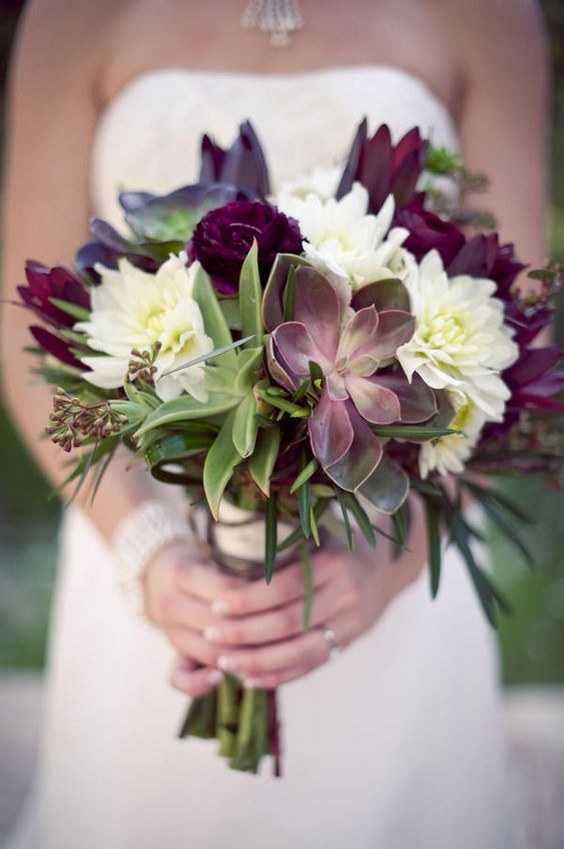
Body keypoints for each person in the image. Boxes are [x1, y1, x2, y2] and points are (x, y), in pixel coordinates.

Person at [1, 1, 549, 847]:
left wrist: (390, 562)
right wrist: (149, 550)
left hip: (392, 547)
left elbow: (509, 329)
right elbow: (23, 326)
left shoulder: (489, 15)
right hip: (152, 565)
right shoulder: (72, 15)